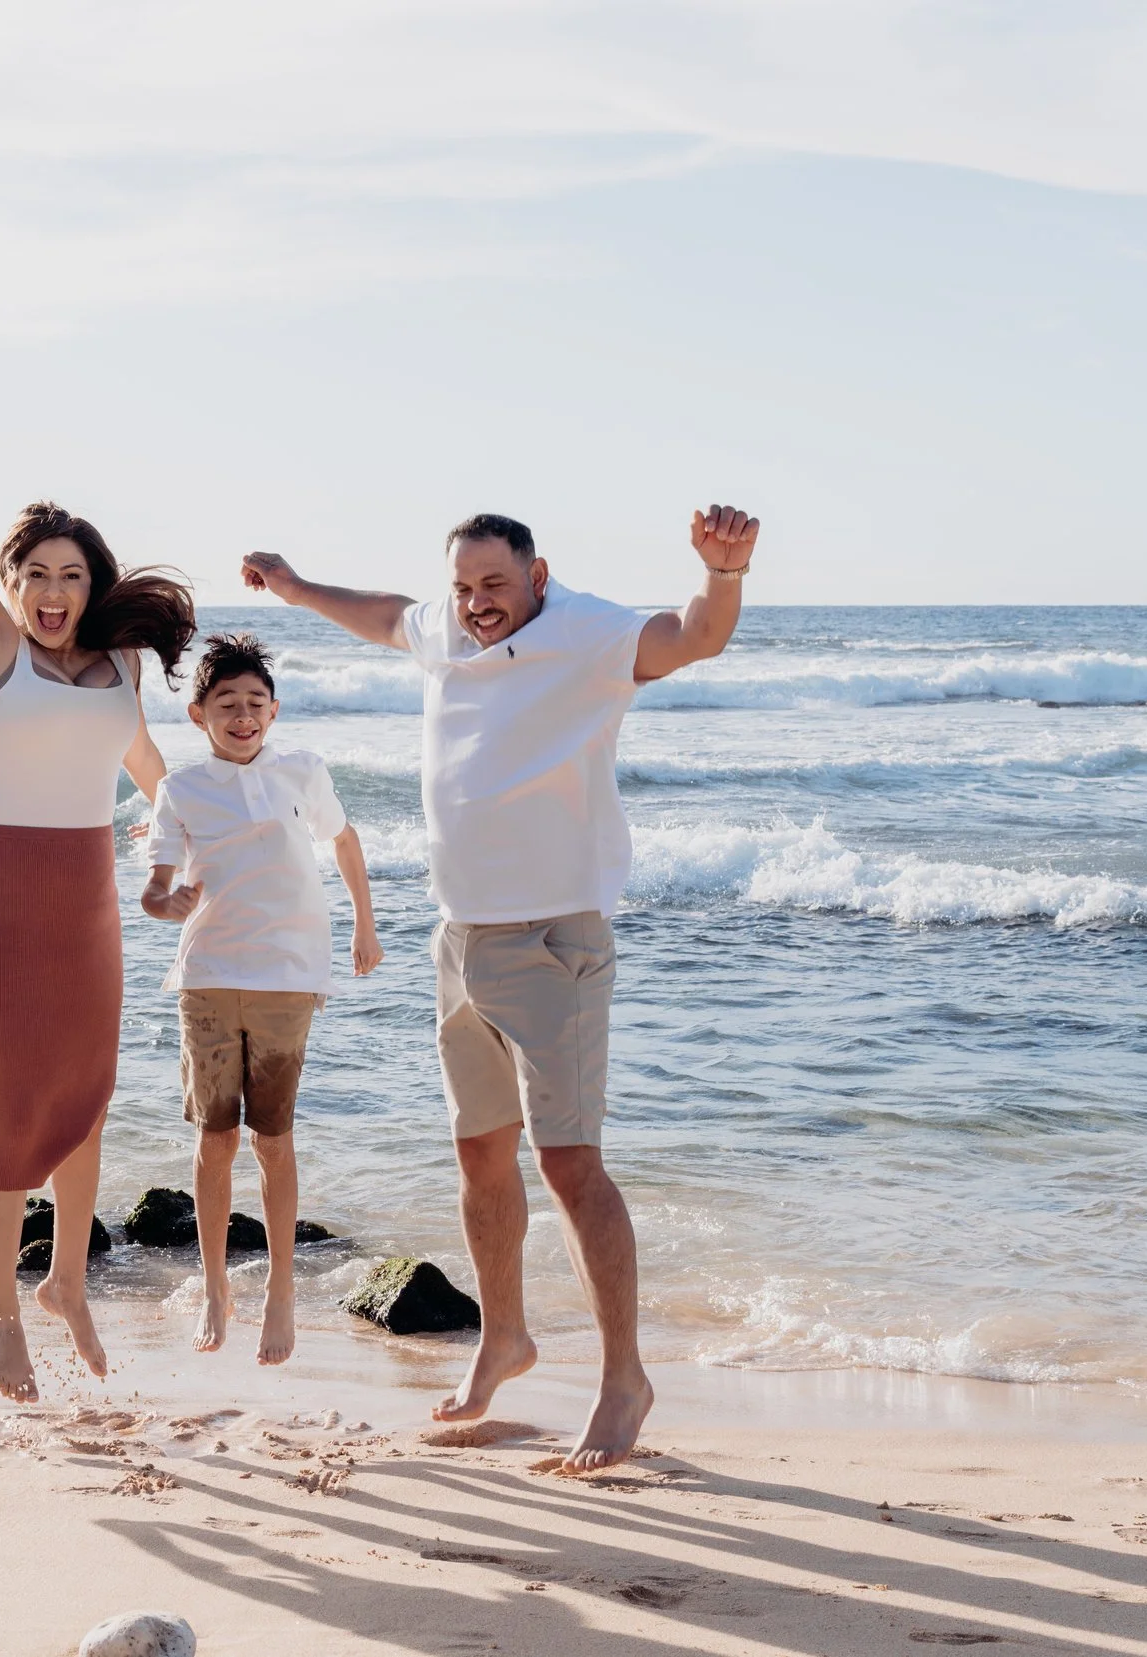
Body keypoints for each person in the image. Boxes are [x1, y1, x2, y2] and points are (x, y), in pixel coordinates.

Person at [241, 504, 759, 1469]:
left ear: (540, 575)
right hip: (460, 939)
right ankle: (505, 1337)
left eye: (497, 586)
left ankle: (623, 1380)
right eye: (466, 587)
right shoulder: (443, 625)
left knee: (570, 1166)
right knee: (480, 1153)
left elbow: (693, 638)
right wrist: (300, 585)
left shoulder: (592, 634)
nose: (479, 605)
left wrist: (722, 576)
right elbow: (388, 612)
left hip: (554, 941)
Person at [0, 306, 197, 1401]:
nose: (56, 593)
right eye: (39, 576)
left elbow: (154, 771)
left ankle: (68, 1280)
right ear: (14, 585)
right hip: (0, 896)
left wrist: (193, 848)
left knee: (87, 1093)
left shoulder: (118, 668)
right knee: (18, 1100)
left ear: (90, 582)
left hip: (87, 897)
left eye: (73, 576)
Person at [140, 633, 381, 1366]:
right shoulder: (180, 789)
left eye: (254, 704)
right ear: (197, 713)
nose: (242, 716)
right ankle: (216, 1288)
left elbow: (344, 841)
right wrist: (166, 900)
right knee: (214, 1140)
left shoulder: (302, 771)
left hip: (288, 977)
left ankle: (280, 1289)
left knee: (272, 1139)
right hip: (208, 976)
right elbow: (154, 886)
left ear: (273, 710)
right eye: (226, 705)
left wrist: (365, 926)